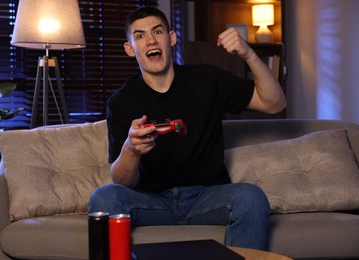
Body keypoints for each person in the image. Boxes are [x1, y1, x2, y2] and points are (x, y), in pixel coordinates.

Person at [88, 6, 287, 250]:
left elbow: (275, 103)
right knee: (104, 197)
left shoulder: (206, 80)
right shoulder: (121, 102)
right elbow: (122, 183)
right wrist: (131, 149)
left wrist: (248, 53)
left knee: (251, 197)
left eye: (157, 32)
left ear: (171, 38)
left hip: (207, 198)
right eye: (140, 36)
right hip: (151, 201)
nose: (150, 40)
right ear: (130, 49)